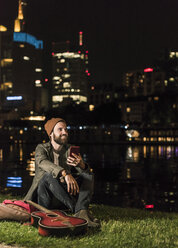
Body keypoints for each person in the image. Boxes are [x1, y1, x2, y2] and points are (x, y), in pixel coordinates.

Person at [24, 117, 99, 227]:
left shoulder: (69, 149)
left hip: (64, 196)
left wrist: (81, 165)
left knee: (88, 175)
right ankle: (77, 211)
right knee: (47, 176)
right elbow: (42, 162)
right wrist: (65, 173)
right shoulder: (41, 148)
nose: (65, 133)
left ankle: (81, 211)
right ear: (51, 134)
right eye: (60, 129)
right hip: (46, 197)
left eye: (66, 129)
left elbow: (84, 173)